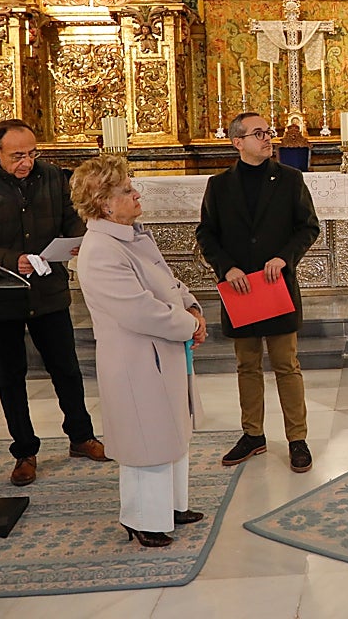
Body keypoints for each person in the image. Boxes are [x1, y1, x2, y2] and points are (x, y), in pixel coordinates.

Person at [0, 118, 109, 486]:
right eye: (17, 156)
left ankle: (81, 436)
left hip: (47, 290)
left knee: (66, 369)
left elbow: (73, 219)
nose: (27, 162)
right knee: (10, 377)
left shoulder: (52, 177)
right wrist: (12, 260)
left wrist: (77, 242)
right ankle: (24, 450)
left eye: (32, 153)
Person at [70, 156, 207, 548]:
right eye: (127, 191)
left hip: (162, 351)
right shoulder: (101, 250)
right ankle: (143, 519)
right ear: (104, 203)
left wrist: (192, 307)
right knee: (147, 440)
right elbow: (138, 310)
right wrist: (189, 324)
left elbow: (168, 281)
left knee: (171, 432)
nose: (136, 195)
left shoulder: (131, 236)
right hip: (136, 359)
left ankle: (171, 506)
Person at [195, 112, 320, 471]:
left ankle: (297, 439)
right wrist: (226, 267)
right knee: (247, 365)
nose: (268, 138)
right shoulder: (219, 185)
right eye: (259, 133)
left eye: (268, 132)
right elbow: (206, 233)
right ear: (238, 142)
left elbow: (308, 227)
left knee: (286, 365)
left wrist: (284, 258)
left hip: (275, 286)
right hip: (240, 289)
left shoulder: (290, 179)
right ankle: (253, 434)